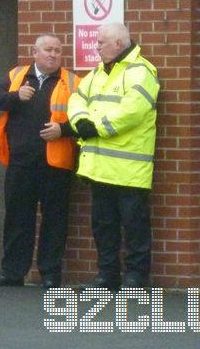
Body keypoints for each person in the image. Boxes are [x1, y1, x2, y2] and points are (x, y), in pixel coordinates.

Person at [67, 22, 160, 291]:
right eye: (96, 42)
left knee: (134, 227)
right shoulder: (98, 73)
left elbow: (133, 112)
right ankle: (107, 276)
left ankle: (135, 278)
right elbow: (77, 99)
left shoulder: (141, 72)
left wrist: (95, 127)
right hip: (99, 168)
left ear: (119, 44)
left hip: (130, 168)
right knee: (103, 227)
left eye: (101, 43)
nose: (96, 47)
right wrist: (80, 120)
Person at [0, 34, 79, 289]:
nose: (53, 54)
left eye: (58, 51)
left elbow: (85, 118)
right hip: (21, 160)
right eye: (48, 50)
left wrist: (64, 129)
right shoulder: (16, 76)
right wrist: (16, 98)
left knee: (55, 220)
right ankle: (13, 272)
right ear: (34, 52)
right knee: (17, 218)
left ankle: (50, 274)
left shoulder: (72, 81)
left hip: (56, 162)